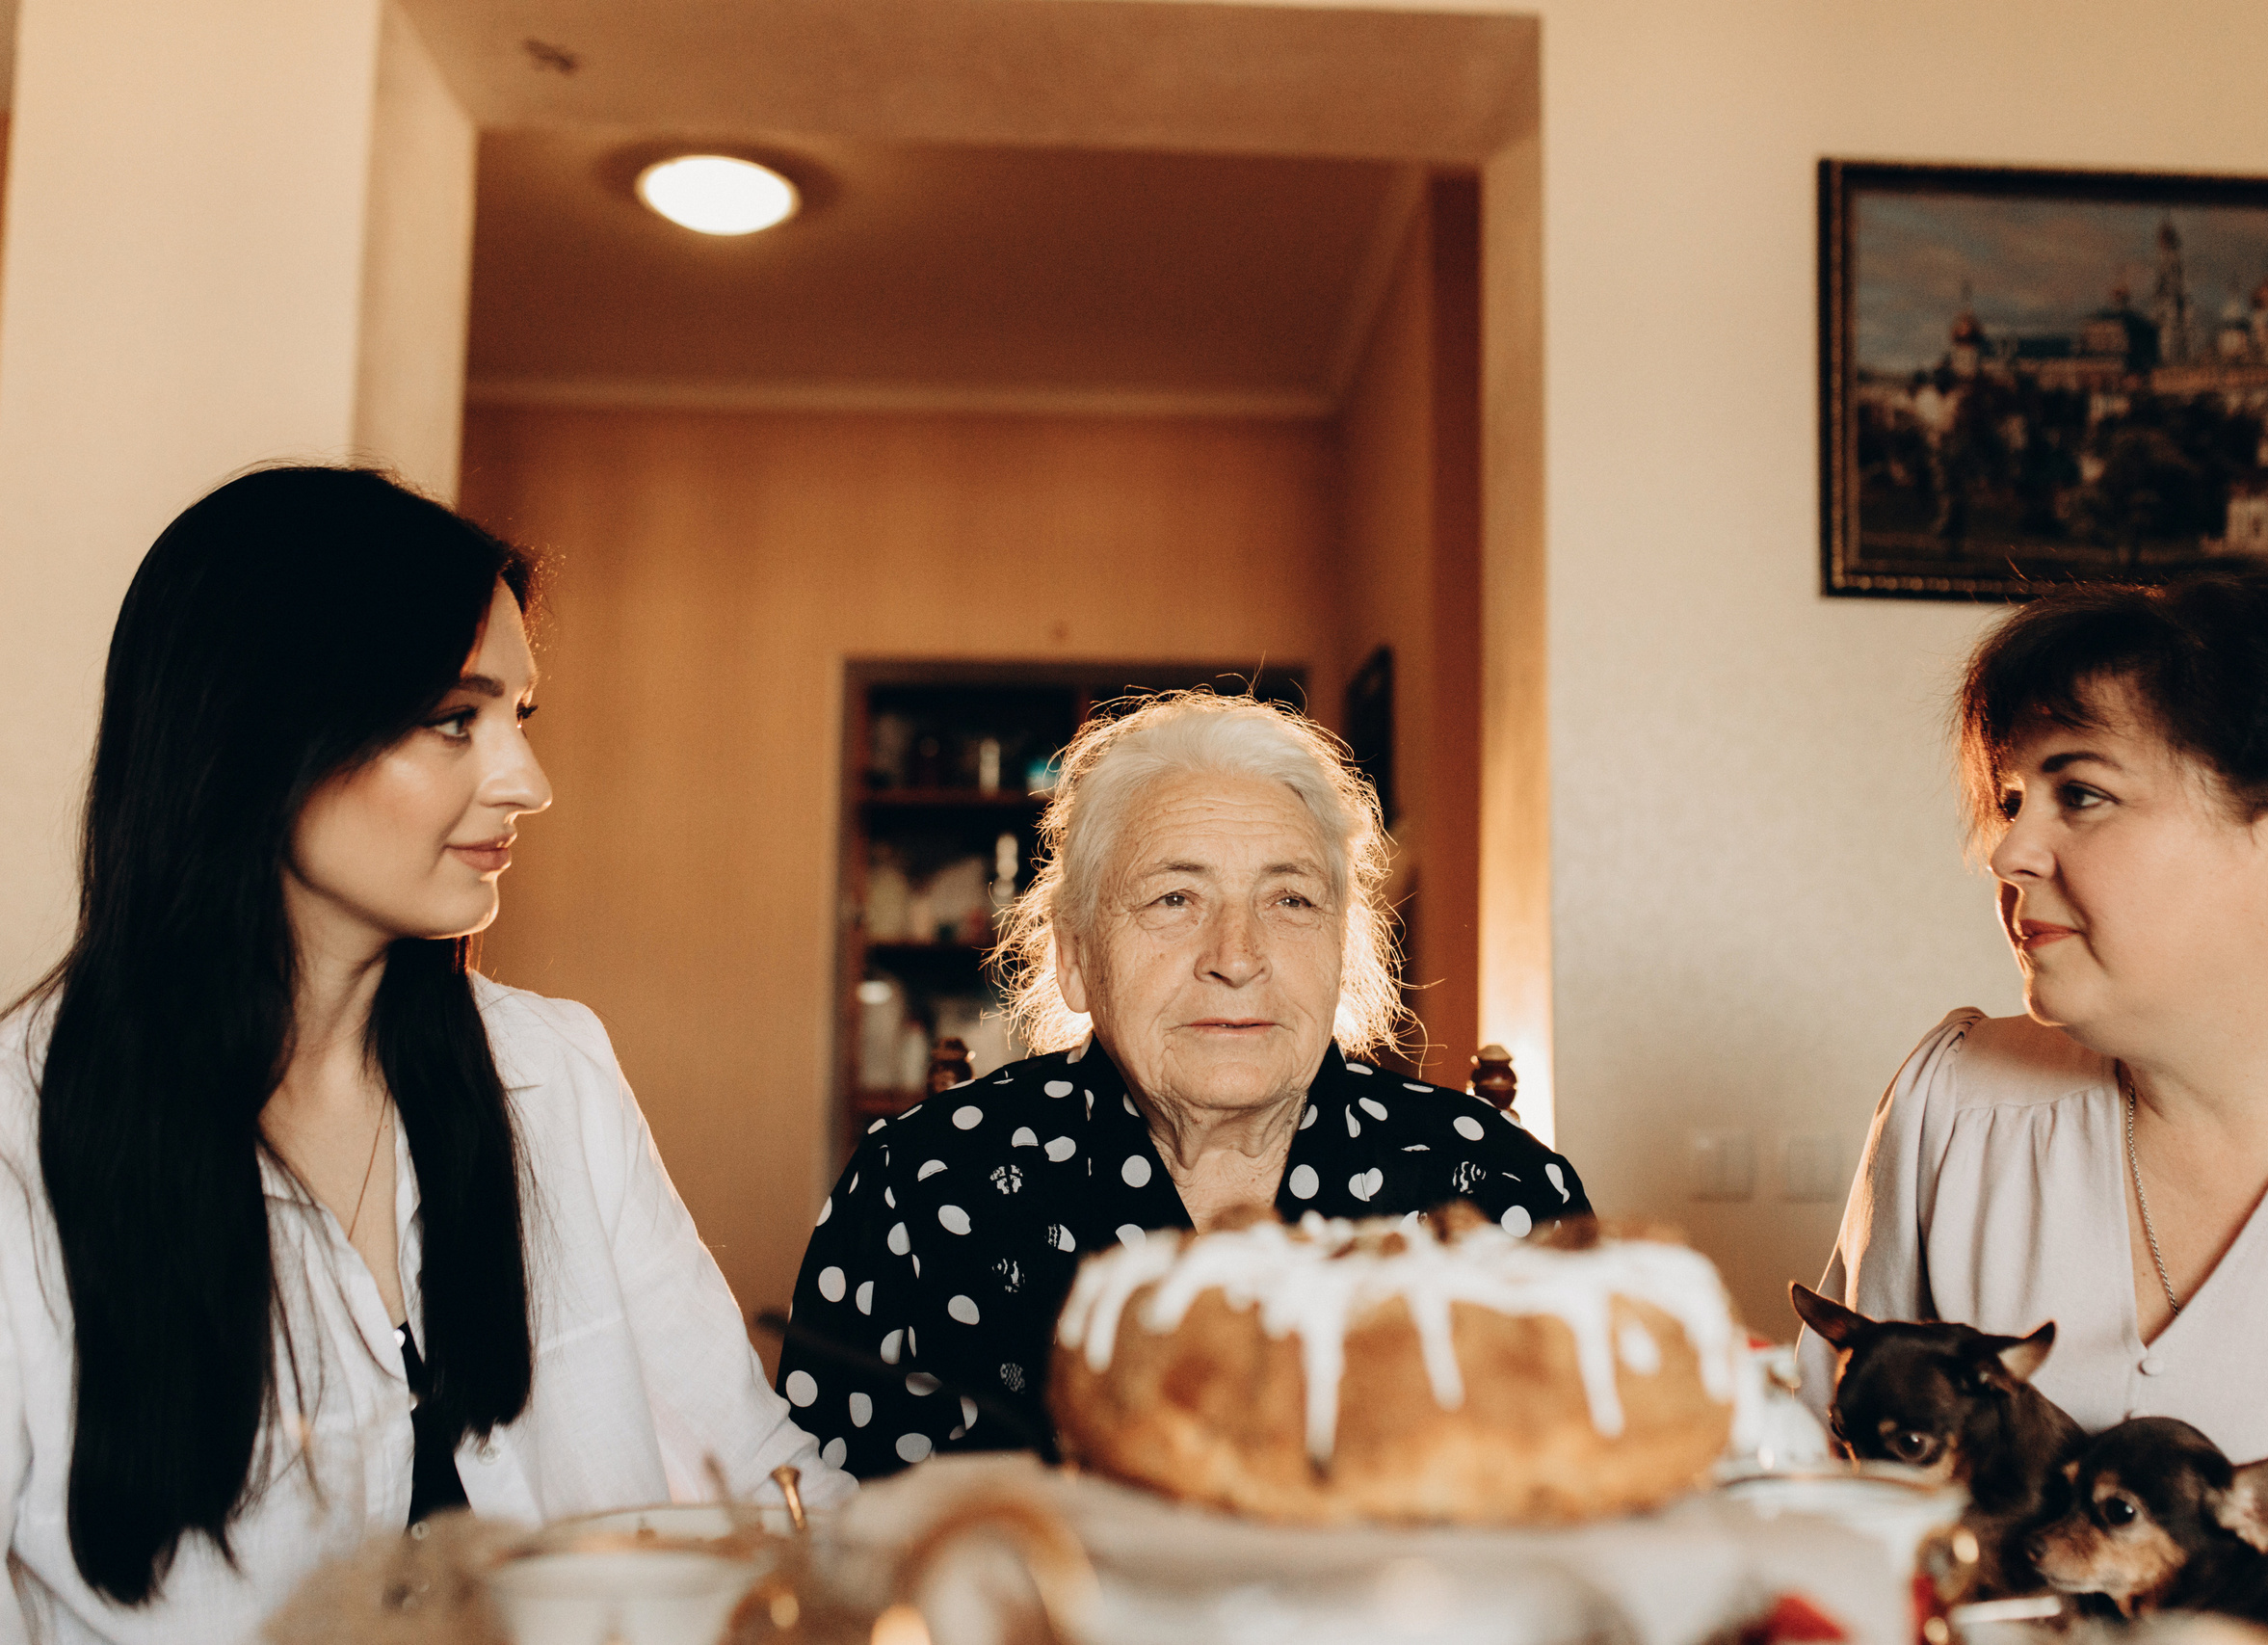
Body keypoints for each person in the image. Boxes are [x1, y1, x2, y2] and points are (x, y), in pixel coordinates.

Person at [0, 468, 818, 1645]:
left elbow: (744, 1469)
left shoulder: (550, 1073)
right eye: (453, 719)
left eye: (518, 719)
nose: (526, 783)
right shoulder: (22, 1145)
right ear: (257, 729)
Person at [1804, 567, 2268, 1627]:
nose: (2005, 850)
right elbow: (1822, 1513)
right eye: (2013, 799)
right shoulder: (1956, 1103)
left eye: (2082, 793)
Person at [778, 691, 1589, 1476]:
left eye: (1290, 897)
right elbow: (825, 1548)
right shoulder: (916, 1189)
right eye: (1175, 896)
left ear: (1342, 951)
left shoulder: (1496, 1189)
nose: (1236, 956)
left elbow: (1594, 1542)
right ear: (1073, 957)